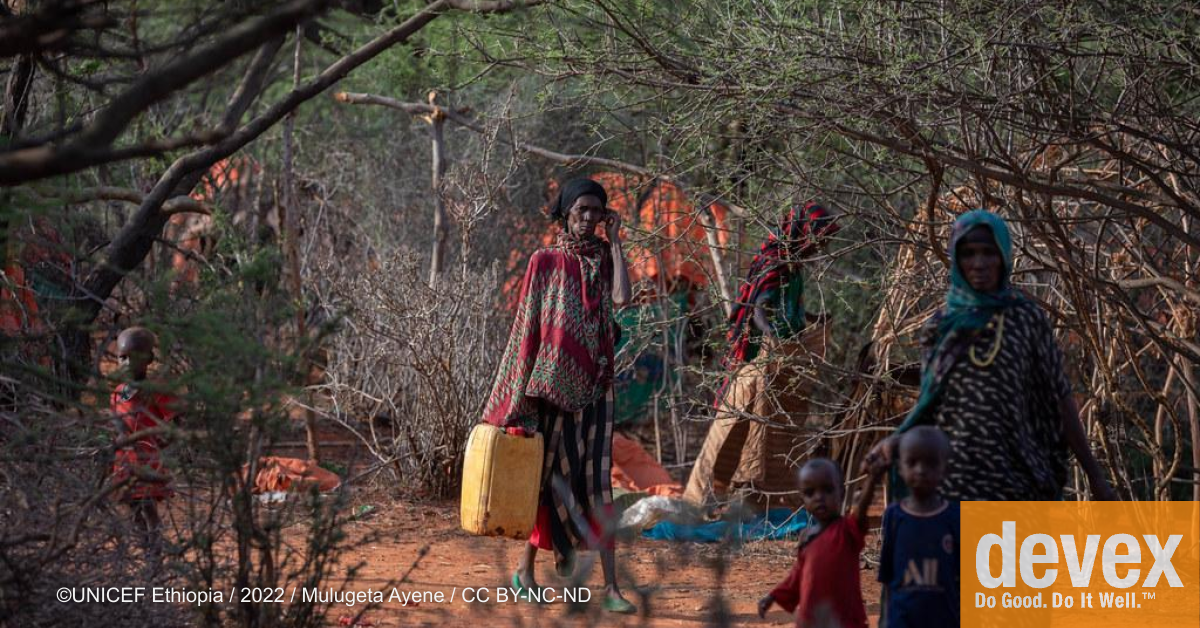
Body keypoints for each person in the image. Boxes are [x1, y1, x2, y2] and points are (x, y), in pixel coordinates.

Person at [866, 209, 1116, 501]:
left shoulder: (1026, 319)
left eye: (989, 252)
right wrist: (896, 442)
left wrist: (1095, 476)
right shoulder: (941, 327)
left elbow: (1059, 397)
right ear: (957, 259)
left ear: (1004, 257)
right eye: (969, 253)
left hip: (1020, 479)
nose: (979, 264)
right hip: (954, 481)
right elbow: (929, 406)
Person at [480, 178, 635, 613]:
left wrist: (617, 242)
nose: (588, 218)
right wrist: (517, 397)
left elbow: (623, 297)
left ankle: (612, 589)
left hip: (597, 388)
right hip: (550, 390)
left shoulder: (605, 259)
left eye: (596, 212)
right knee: (548, 483)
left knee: (598, 483)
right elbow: (526, 329)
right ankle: (524, 572)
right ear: (566, 213)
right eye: (581, 210)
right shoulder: (544, 262)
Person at [684, 203, 839, 508]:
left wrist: (812, 318)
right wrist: (770, 336)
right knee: (742, 427)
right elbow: (759, 309)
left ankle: (767, 498)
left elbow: (789, 306)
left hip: (783, 360)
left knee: (776, 431)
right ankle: (715, 497)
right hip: (761, 364)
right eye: (820, 239)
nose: (823, 246)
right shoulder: (775, 264)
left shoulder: (795, 266)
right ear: (804, 234)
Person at [758, 457, 880, 628]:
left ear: (842, 493)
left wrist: (872, 478)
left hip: (844, 620)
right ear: (802, 498)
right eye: (810, 493)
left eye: (828, 490)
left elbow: (861, 509)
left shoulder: (847, 531)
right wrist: (773, 596)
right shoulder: (806, 536)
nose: (819, 498)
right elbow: (798, 575)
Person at [109, 326, 180, 558]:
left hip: (148, 460)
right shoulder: (118, 392)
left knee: (148, 508)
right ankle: (146, 550)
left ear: (148, 358)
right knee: (132, 509)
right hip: (125, 462)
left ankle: (155, 558)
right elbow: (117, 423)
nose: (127, 363)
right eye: (123, 358)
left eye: (134, 357)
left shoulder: (156, 390)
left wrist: (164, 441)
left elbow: (174, 420)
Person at [878, 426, 959, 628]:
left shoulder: (954, 517)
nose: (921, 470)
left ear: (945, 469)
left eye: (931, 463)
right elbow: (887, 577)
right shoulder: (894, 516)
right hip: (902, 622)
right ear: (900, 468)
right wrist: (886, 620)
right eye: (912, 463)